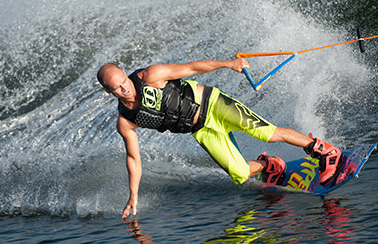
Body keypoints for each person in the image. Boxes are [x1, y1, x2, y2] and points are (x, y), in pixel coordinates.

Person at [96, 58, 342, 218]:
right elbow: (133, 158)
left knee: (268, 133)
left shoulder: (151, 75)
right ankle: (270, 165)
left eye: (124, 81)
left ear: (124, 73)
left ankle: (323, 150)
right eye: (117, 88)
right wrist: (133, 195)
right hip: (201, 130)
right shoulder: (126, 120)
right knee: (241, 174)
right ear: (108, 91)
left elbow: (192, 68)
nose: (125, 88)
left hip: (214, 105)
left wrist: (228, 64)